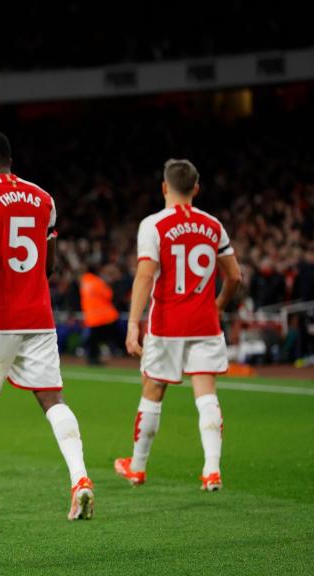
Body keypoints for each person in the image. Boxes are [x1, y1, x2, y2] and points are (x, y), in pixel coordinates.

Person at [0, 131, 94, 521]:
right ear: (8, 159)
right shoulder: (45, 199)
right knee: (52, 399)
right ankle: (80, 479)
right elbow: (51, 264)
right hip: (38, 317)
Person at [115, 159, 242, 492]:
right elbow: (235, 276)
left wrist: (132, 324)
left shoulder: (153, 225)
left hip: (168, 324)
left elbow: (145, 275)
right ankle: (212, 470)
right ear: (196, 189)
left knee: (153, 390)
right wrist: (217, 305)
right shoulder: (214, 225)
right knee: (206, 395)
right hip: (204, 323)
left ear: (164, 187)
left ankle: (138, 466)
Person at [79, 264, 120, 365]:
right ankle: (99, 357)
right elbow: (109, 295)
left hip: (90, 316)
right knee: (102, 338)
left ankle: (92, 358)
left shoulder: (84, 282)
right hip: (102, 316)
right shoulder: (97, 282)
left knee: (94, 339)